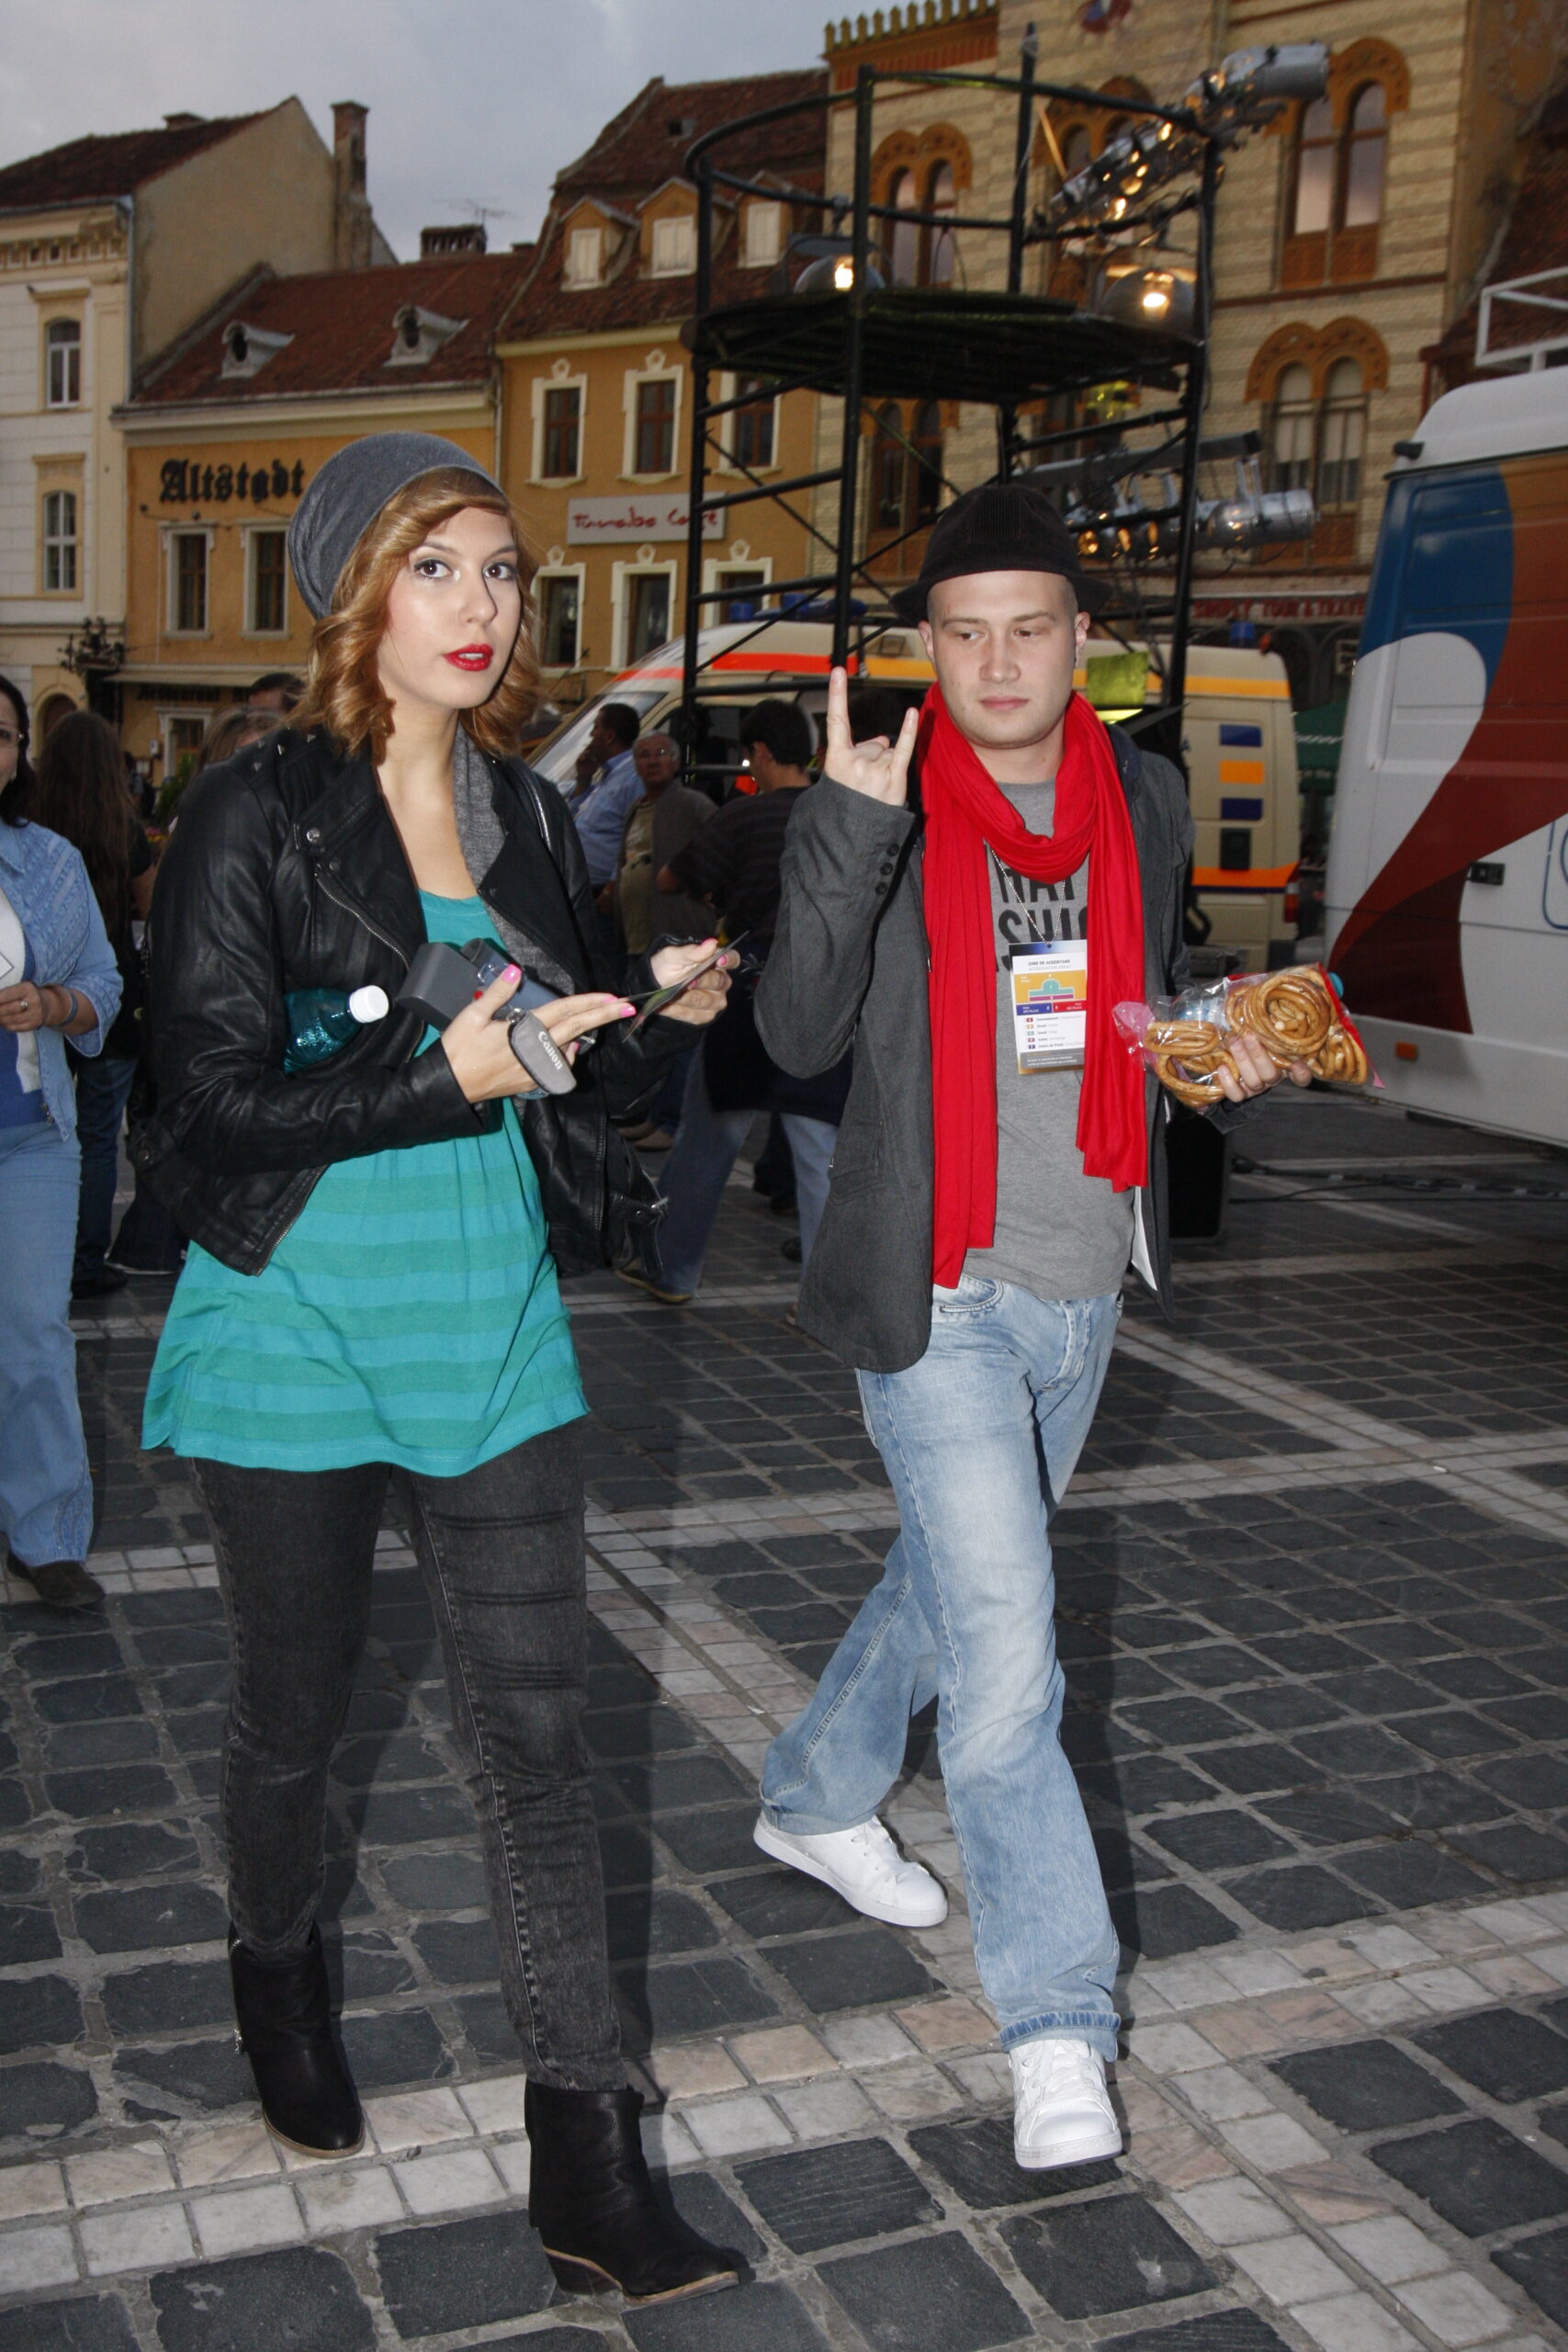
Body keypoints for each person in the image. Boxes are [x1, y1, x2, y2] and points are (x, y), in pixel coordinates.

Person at [134, 431, 737, 2306]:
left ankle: (589, 2164)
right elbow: (203, 1108)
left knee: (538, 1749)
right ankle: (276, 1962)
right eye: (436, 567)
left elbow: (565, 1080)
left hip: (488, 1332)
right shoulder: (256, 811)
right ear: (355, 592)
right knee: (291, 1718)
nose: (481, 606)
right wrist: (438, 1076)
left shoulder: (531, 818)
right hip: (290, 1329)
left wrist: (655, 1026)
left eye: (500, 571)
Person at [751, 483, 1309, 2174]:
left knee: (946, 1586)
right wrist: (840, 834)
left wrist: (1211, 1047)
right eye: (962, 633)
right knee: (1007, 1662)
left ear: (1081, 645)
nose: (996, 663)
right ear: (927, 650)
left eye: (1028, 628)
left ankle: (811, 1799)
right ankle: (1057, 2026)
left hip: (1084, 1281)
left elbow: (1121, 1004)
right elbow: (793, 1035)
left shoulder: (1140, 795)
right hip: (937, 1288)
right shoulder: (881, 802)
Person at [617, 698, 846, 1305]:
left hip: (749, 985)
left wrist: (722, 893)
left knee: (709, 1135)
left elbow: (670, 878)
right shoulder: (836, 813)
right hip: (824, 989)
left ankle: (672, 1269)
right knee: (817, 1144)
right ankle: (826, 1298)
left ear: (762, 753)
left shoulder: (744, 815)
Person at [0, 673, 122, 1607]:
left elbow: (104, 982)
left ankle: (44, 1535)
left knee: (35, 1337)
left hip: (31, 1139)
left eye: (1, 734)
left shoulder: (49, 859)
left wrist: (52, 1003)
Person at [27, 710, 155, 1298]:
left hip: (41, 994)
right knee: (100, 1135)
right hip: (111, 996)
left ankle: (39, 1252)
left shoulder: (34, 828)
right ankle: (85, 1260)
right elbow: (150, 907)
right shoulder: (123, 829)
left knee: (44, 1132)